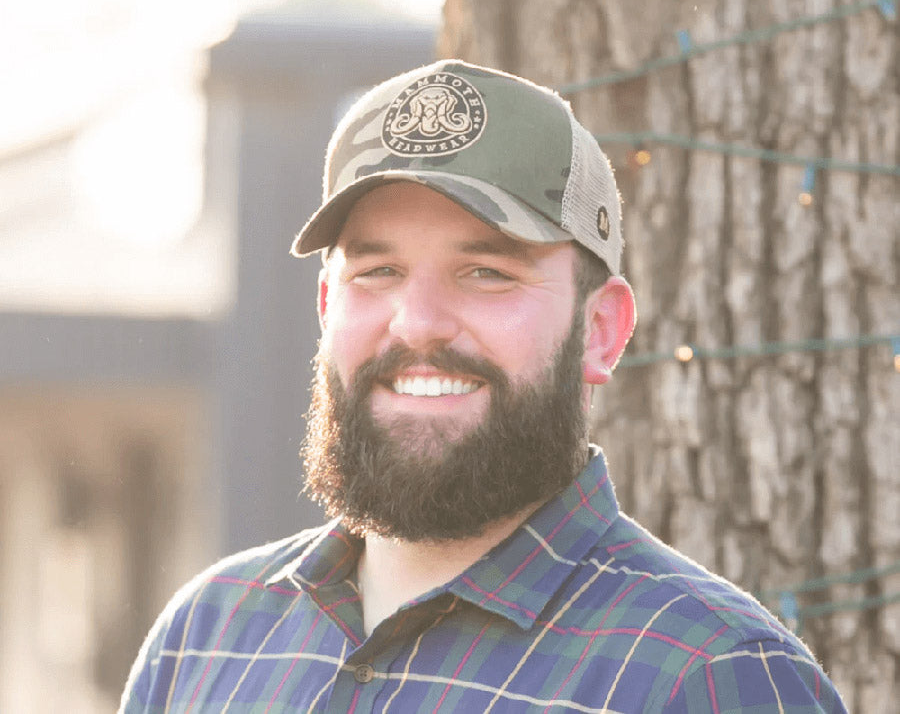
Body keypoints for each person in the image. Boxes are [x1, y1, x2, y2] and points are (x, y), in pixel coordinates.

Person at [120, 60, 846, 713]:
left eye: (487, 272)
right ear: (325, 307)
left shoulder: (711, 677)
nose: (418, 323)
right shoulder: (205, 639)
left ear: (601, 329)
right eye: (377, 271)